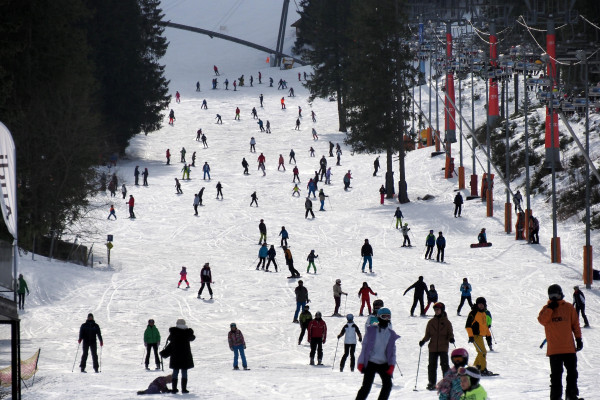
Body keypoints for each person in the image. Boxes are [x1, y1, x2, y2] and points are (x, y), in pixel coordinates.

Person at [538, 284, 583, 400]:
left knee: (572, 374)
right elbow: (542, 321)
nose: (554, 297)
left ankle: (571, 396)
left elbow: (575, 325)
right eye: (551, 295)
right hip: (554, 350)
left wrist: (578, 339)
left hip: (568, 348)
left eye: (556, 294)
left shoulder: (568, 308)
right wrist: (550, 309)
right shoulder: (546, 309)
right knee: (556, 376)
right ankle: (556, 397)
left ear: (560, 293)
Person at [355, 308, 399, 400]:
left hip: (384, 363)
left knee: (387, 385)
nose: (386, 319)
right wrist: (361, 362)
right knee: (366, 386)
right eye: (384, 317)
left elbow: (392, 352)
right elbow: (365, 347)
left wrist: (391, 365)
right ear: (379, 317)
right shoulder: (371, 330)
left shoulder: (390, 334)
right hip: (371, 362)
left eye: (388, 317)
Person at [419, 302, 454, 391]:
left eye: (438, 309)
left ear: (442, 310)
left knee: (444, 365)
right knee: (432, 365)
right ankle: (432, 382)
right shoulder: (431, 322)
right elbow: (428, 335)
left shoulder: (446, 322)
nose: (436, 311)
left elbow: (450, 333)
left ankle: (447, 382)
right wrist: (423, 341)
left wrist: (451, 339)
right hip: (433, 347)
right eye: (435, 310)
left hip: (443, 346)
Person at [465, 297, 494, 376]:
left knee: (481, 352)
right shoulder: (473, 313)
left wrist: (488, 336)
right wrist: (471, 336)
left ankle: (475, 368)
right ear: (477, 305)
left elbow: (485, 326)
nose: (481, 306)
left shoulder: (484, 313)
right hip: (475, 336)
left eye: (482, 304)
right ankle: (482, 369)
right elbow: (468, 326)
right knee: (482, 352)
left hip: (480, 336)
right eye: (479, 304)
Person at [166, 319, 195, 394]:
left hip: (175, 355)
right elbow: (192, 338)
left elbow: (170, 339)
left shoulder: (174, 332)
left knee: (175, 372)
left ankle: (174, 389)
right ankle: (184, 389)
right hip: (185, 355)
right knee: (184, 371)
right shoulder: (187, 332)